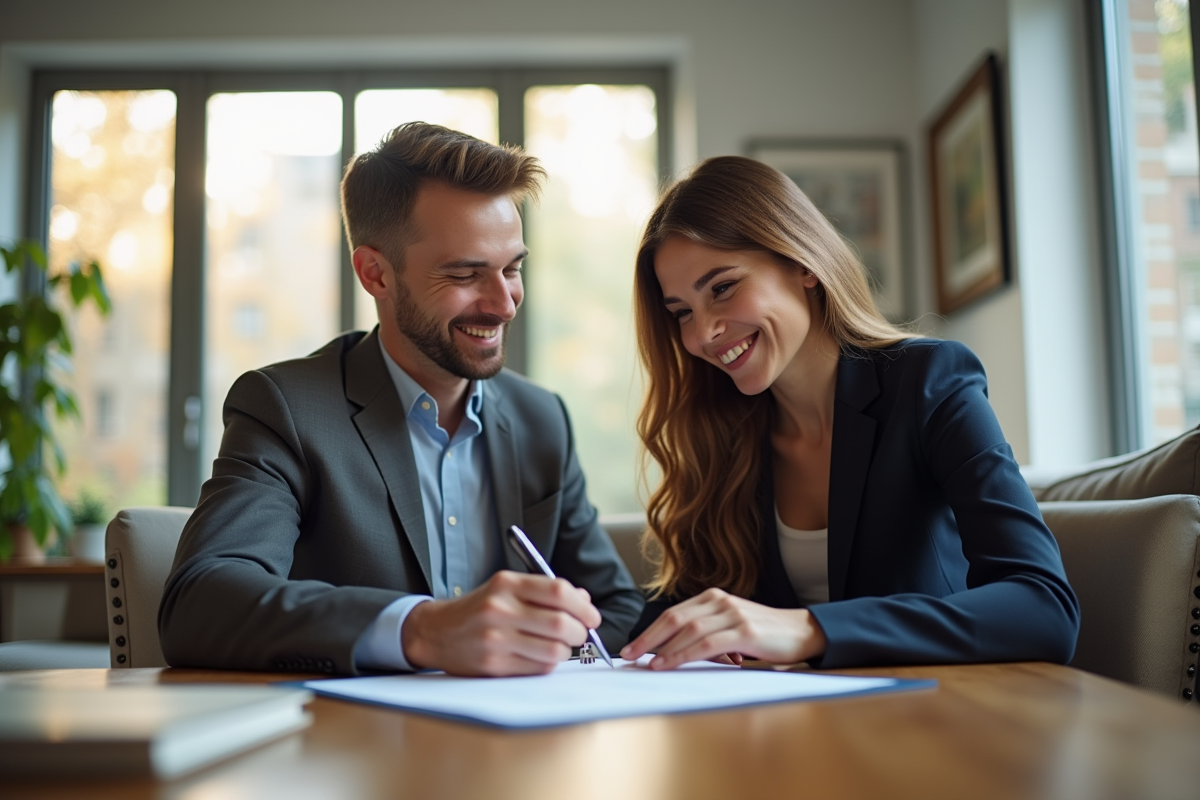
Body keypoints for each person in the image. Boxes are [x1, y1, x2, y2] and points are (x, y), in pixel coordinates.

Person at [159, 123, 643, 677]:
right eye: (465, 274)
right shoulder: (287, 409)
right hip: (352, 750)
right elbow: (198, 604)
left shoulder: (541, 418)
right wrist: (421, 630)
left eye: (513, 269)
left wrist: (543, 647)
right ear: (376, 274)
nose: (505, 304)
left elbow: (617, 606)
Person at [619, 156, 1079, 670]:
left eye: (722, 288)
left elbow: (1045, 608)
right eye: (682, 312)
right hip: (786, 731)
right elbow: (675, 610)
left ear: (803, 264)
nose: (702, 334)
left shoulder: (931, 381)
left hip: (934, 720)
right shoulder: (723, 428)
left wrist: (809, 629)